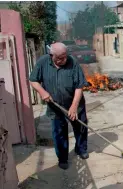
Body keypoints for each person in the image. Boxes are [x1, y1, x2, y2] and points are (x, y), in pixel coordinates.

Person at [29, 42, 89, 170]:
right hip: (55, 106)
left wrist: (74, 106)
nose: (64, 60)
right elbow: (33, 80)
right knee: (59, 132)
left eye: (65, 56)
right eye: (60, 58)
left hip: (74, 103)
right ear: (51, 55)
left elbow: (79, 86)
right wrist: (42, 91)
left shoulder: (72, 62)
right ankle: (62, 158)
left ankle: (81, 149)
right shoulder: (43, 62)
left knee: (81, 127)